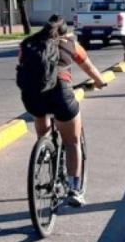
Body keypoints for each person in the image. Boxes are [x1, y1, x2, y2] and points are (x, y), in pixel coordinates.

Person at [18, 14, 106, 207]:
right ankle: (75, 189)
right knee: (73, 141)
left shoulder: (27, 43)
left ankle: (45, 150)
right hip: (61, 93)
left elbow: (23, 67)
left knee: (41, 116)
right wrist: (100, 82)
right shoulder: (71, 44)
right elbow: (89, 67)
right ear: (64, 32)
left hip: (33, 96)